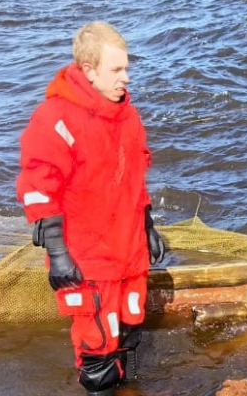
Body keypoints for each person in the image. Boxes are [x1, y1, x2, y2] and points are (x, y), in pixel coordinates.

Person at [15, 21, 165, 396]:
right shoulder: (55, 118)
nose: (126, 78)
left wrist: (147, 226)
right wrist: (57, 251)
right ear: (89, 70)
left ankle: (125, 386)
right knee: (97, 337)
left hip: (128, 246)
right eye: (116, 70)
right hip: (86, 253)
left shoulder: (127, 115)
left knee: (129, 324)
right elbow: (37, 186)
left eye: (127, 67)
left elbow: (134, 176)